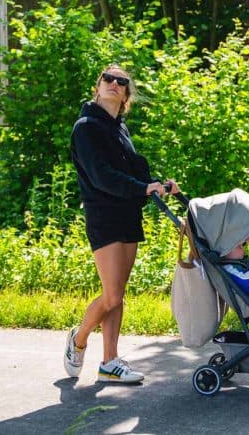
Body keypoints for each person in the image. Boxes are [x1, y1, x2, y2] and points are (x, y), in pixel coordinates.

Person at [64, 64, 180, 383]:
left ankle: (109, 362)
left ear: (127, 92)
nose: (114, 83)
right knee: (112, 295)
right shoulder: (86, 127)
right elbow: (103, 177)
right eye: (108, 79)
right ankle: (79, 339)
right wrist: (142, 188)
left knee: (117, 292)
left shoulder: (120, 129)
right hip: (104, 215)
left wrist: (158, 184)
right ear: (98, 86)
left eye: (122, 81)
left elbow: (134, 172)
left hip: (128, 214)